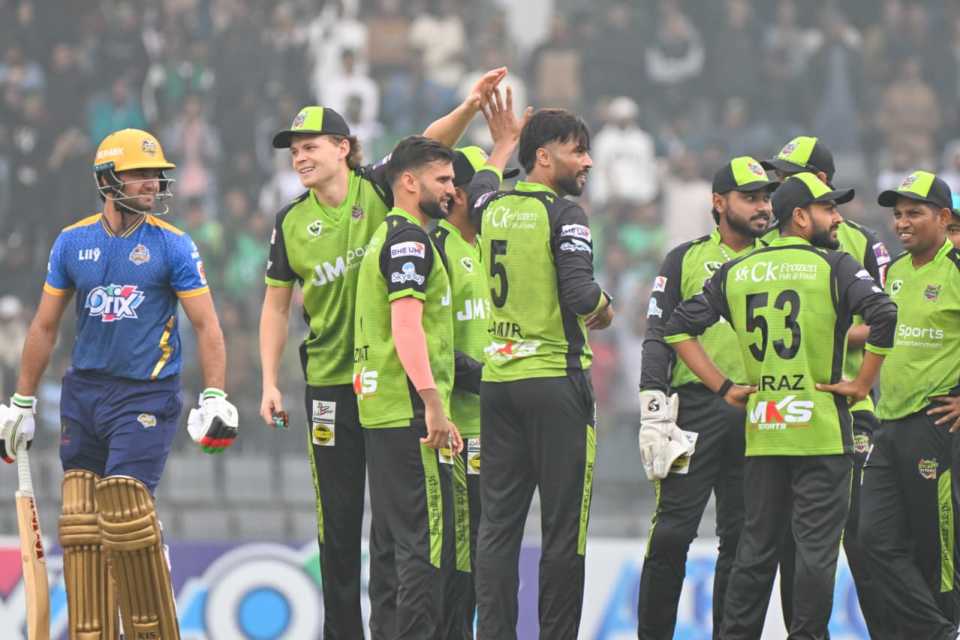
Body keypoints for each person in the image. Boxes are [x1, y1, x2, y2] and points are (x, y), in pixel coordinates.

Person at [258, 68, 507, 639]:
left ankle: (393, 629)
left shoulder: (377, 188)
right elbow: (276, 308)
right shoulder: (290, 222)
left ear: (343, 149)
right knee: (339, 529)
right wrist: (270, 381)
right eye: (294, 150)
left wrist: (470, 105)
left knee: (397, 529)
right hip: (328, 385)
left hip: (390, 382)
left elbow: (428, 146)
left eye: (310, 147)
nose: (299, 158)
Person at [0, 128, 237, 640]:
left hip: (145, 395)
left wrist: (215, 393)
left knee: (125, 504)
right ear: (109, 180)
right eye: (140, 173)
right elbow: (44, 327)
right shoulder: (73, 241)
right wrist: (20, 401)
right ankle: (94, 634)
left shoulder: (173, 245)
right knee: (83, 523)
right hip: (83, 393)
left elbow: (207, 326)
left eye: (157, 174)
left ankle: (154, 627)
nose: (153, 183)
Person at [662, 172, 897, 639]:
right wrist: (861, 384)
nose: (836, 218)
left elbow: (676, 327)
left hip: (763, 432)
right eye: (828, 209)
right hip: (821, 434)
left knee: (754, 550)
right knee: (814, 551)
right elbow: (885, 314)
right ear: (801, 216)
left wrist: (722, 386)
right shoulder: (836, 265)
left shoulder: (738, 270)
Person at [352, 127, 514, 638]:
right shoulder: (410, 242)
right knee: (425, 545)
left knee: (390, 543)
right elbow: (406, 326)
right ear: (407, 182)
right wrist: (433, 405)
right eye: (441, 180)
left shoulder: (390, 235)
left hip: (382, 410)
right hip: (409, 411)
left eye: (452, 180)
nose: (451, 190)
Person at [472, 108, 615, 640]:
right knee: (562, 533)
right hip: (555, 383)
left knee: (498, 530)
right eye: (577, 150)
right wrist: (606, 307)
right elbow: (581, 296)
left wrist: (501, 142)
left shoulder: (488, 206)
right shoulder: (565, 213)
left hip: (499, 384)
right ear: (544, 157)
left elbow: (483, 180)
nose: (588, 161)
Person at [636, 156, 777, 638]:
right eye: (751, 197)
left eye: (766, 198)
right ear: (719, 203)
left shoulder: (782, 257)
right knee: (673, 532)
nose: (763, 207)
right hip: (694, 408)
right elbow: (657, 332)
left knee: (741, 538)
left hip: (761, 411)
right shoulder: (684, 258)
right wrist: (653, 405)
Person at [762, 134, 894, 637]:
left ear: (820, 180)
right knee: (792, 542)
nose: (777, 182)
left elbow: (884, 317)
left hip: (848, 406)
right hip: (785, 411)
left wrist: (834, 331)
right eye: (777, 175)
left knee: (861, 534)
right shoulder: (767, 237)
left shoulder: (859, 241)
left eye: (787, 174)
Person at [861, 171, 960, 639]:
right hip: (888, 425)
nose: (902, 223)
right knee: (873, 541)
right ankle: (938, 633)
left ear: (943, 217)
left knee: (937, 548)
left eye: (914, 213)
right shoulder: (893, 272)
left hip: (936, 425)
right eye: (898, 214)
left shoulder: (956, 267)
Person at [431, 142, 522, 638]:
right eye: (492, 182)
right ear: (460, 194)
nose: (500, 192)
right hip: (459, 430)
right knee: (460, 555)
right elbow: (435, 346)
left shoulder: (496, 246)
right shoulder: (436, 247)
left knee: (498, 552)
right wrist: (498, 384)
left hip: (502, 427)